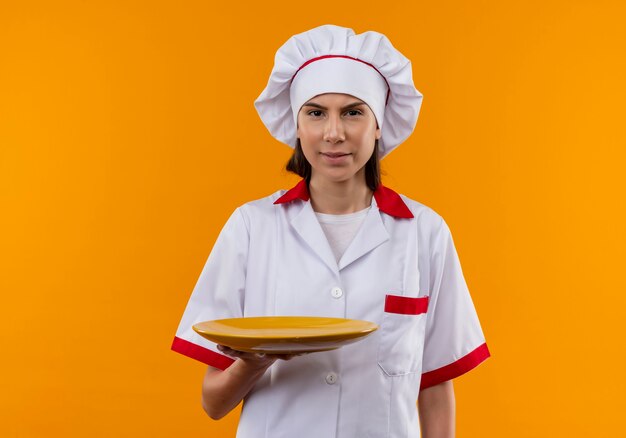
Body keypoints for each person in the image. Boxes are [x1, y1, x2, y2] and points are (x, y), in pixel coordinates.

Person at [171, 24, 491, 438]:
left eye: (353, 112)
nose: (334, 133)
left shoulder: (425, 233)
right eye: (316, 112)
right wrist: (255, 359)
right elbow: (213, 403)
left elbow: (435, 385)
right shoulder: (251, 227)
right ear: (297, 125)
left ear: (379, 125)